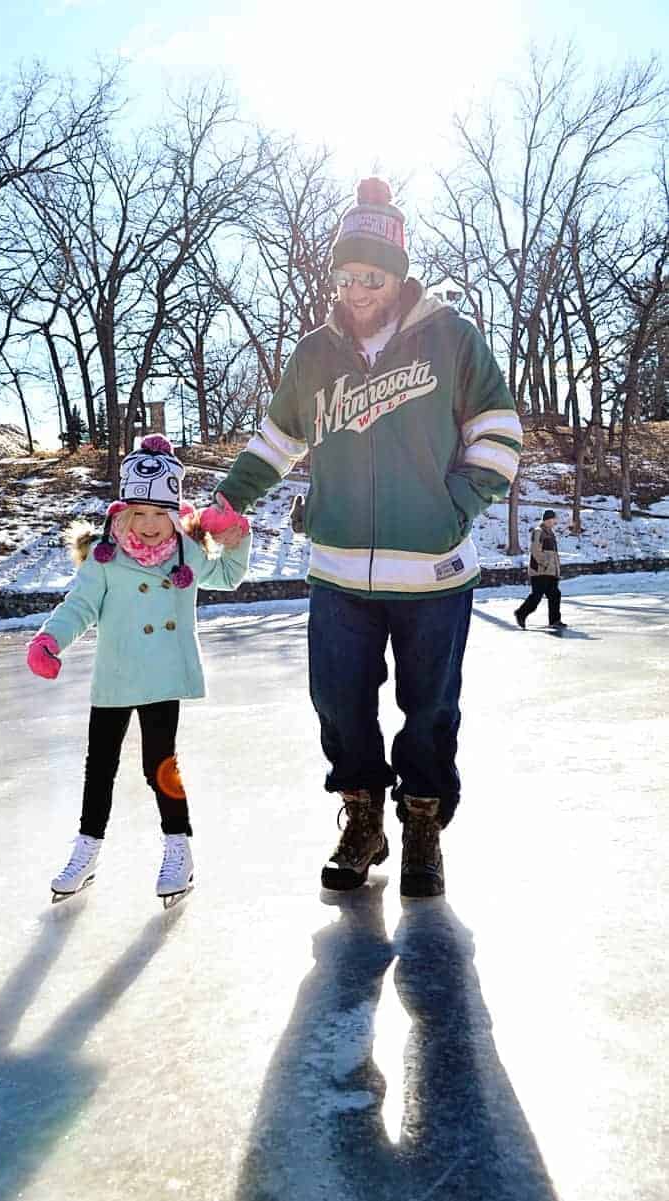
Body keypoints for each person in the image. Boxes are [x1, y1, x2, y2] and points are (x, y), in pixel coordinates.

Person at [209, 177, 522, 899]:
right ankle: (363, 818)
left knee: (431, 708)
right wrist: (228, 500)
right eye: (345, 276)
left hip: (436, 572)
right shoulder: (315, 355)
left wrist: (456, 505)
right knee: (339, 704)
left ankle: (421, 824)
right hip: (339, 571)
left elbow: (499, 434)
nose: (356, 291)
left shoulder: (452, 338)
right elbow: (275, 443)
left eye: (370, 277)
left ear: (398, 274)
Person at [26, 435, 251, 905]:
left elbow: (229, 576)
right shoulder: (105, 558)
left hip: (163, 673)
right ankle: (86, 850)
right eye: (139, 514)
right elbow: (80, 605)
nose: (149, 526)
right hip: (117, 673)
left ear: (174, 516)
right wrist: (50, 639)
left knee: (159, 764)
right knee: (99, 765)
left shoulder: (187, 554)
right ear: (123, 514)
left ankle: (178, 847)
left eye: (159, 515)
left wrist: (236, 540)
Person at [514, 509, 565, 629]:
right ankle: (521, 613)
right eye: (553, 519)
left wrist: (556, 570)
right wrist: (544, 563)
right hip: (540, 571)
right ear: (548, 519)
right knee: (536, 596)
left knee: (555, 595)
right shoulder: (538, 532)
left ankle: (555, 620)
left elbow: (553, 554)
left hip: (550, 572)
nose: (555, 521)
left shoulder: (550, 533)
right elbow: (535, 550)